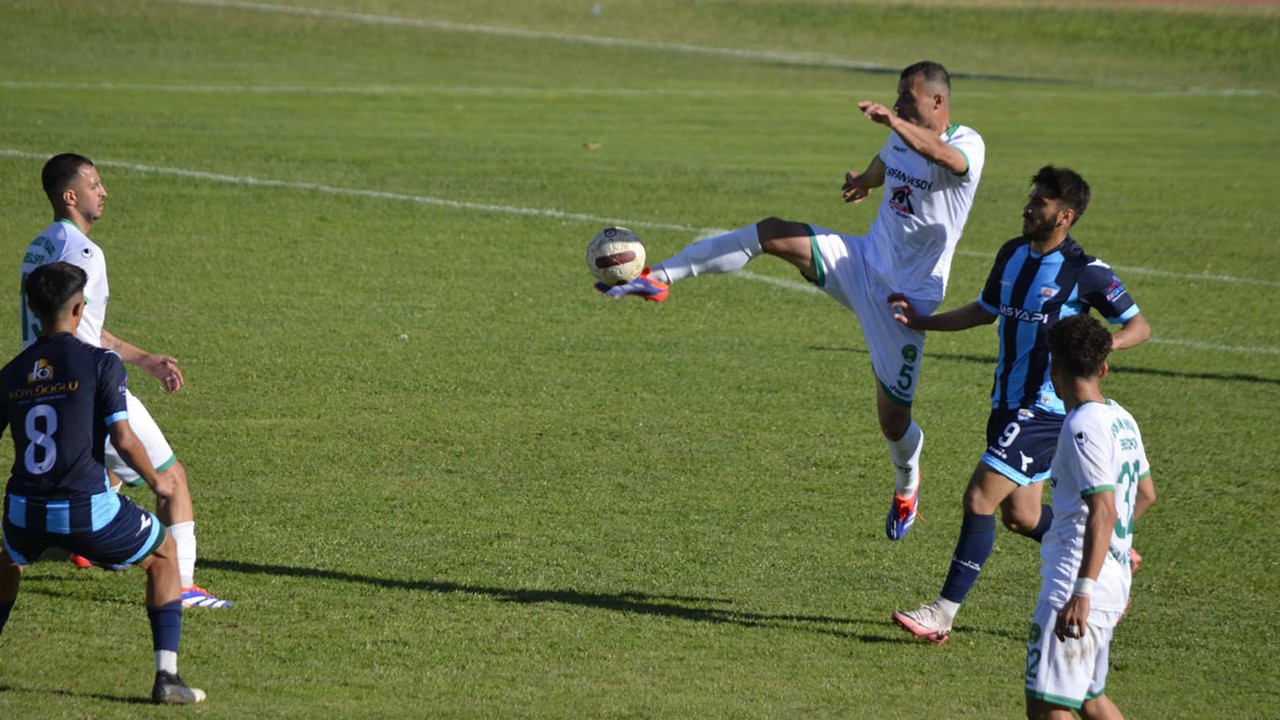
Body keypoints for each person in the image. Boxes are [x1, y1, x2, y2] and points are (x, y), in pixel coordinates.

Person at [601, 61, 985, 539]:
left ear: (938, 102)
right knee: (771, 232)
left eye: (908, 99)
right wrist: (865, 180)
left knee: (893, 421)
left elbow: (945, 160)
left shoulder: (968, 144)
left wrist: (894, 122)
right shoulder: (901, 134)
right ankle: (660, 278)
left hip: (905, 302)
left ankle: (907, 481)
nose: (900, 105)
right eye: (898, 99)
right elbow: (888, 160)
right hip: (861, 260)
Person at [890, 166, 1150, 644]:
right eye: (1031, 197)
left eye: (1041, 202)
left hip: (1045, 407)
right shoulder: (1011, 253)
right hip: (1005, 402)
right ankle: (1113, 548)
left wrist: (1094, 349)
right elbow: (986, 309)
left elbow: (1138, 326)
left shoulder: (1086, 272)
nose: (1029, 207)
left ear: (1065, 216)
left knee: (978, 499)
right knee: (1022, 518)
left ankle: (941, 614)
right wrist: (924, 322)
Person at [19, 153, 230, 608]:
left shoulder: (39, 247)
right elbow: (83, 338)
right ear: (70, 196)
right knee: (171, 477)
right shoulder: (86, 255)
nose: (104, 192)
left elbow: (78, 326)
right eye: (95, 185)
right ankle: (185, 585)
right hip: (89, 386)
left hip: (43, 385)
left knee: (108, 469)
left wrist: (145, 359)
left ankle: (83, 545)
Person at [0, 262, 207, 704]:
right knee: (164, 554)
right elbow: (124, 439)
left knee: (9, 561)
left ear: (34, 310)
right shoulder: (99, 362)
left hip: (23, 511)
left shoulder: (13, 371)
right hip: (86, 511)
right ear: (79, 310)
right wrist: (156, 481)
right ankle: (167, 677)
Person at [1024, 313, 1155, 719]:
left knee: (1047, 707)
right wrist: (1116, 557)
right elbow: (1145, 495)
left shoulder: (1082, 427)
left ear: (1053, 368)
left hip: (1075, 586)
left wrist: (1083, 589)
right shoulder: (1122, 419)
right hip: (1108, 581)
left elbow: (1105, 508)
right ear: (1103, 368)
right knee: (1089, 699)